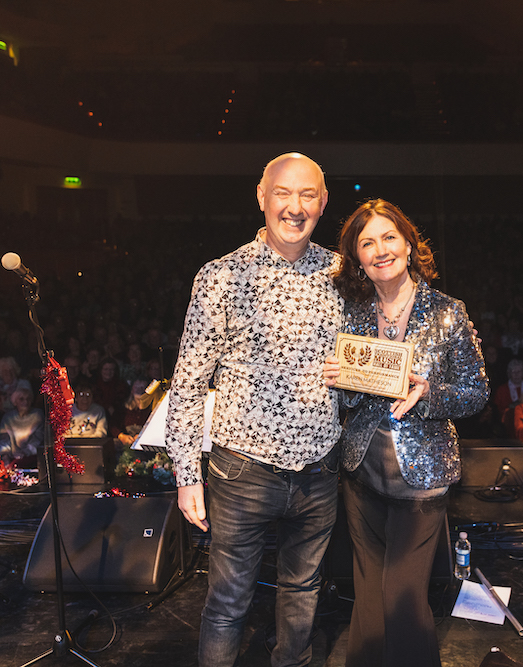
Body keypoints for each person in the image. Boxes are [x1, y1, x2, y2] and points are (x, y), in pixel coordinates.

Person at [165, 152, 343, 667]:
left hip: (319, 469)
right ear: (261, 197)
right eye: (283, 193)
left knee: (303, 592)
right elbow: (189, 383)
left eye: (307, 195)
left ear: (323, 203)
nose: (294, 206)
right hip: (241, 470)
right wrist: (186, 474)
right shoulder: (221, 275)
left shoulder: (340, 275)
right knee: (227, 604)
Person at [321, 199, 488, 667]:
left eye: (388, 237)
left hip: (422, 479)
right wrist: (341, 380)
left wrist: (429, 393)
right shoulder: (352, 314)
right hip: (361, 476)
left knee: (402, 595)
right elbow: (351, 403)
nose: (380, 250)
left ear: (410, 245)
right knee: (369, 594)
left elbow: (476, 393)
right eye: (366, 242)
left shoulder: (448, 313)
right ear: (357, 260)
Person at [0, 386, 44, 465]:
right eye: (21, 399)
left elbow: (38, 438)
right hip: (11, 458)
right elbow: (3, 438)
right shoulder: (8, 417)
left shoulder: (37, 415)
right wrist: (5, 455)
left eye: (28, 399)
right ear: (15, 402)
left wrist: (25, 453)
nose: (25, 402)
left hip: (32, 458)